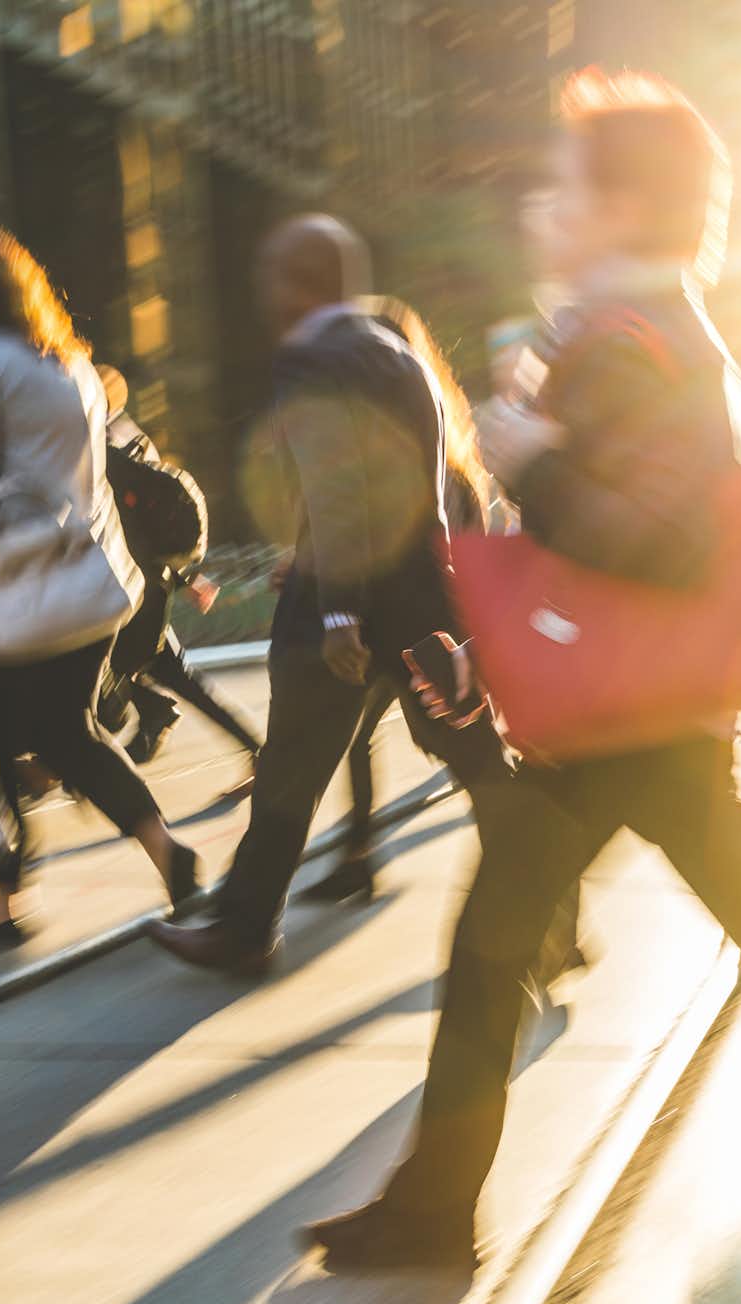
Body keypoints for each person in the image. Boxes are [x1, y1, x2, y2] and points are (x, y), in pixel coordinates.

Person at [299, 71, 741, 1269]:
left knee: (501, 938)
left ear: (623, 206)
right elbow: (610, 556)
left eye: (565, 185)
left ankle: (433, 1209)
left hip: (633, 719)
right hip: (647, 710)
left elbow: (657, 542)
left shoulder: (633, 338)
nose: (543, 207)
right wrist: (502, 637)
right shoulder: (643, 329)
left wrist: (530, 457)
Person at [145, 221, 524, 985]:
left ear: (298, 283)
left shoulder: (313, 355)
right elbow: (421, 502)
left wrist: (339, 608)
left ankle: (247, 932)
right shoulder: (399, 355)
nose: (262, 291)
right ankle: (551, 913)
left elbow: (337, 483)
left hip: (349, 605)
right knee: (473, 761)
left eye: (272, 274)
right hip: (416, 597)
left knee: (292, 769)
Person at [0, 228, 198, 942]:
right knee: (68, 736)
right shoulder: (66, 364)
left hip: (16, 594)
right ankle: (168, 852)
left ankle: (4, 897)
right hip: (90, 586)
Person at [297, 295, 501, 908]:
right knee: (373, 740)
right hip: (404, 621)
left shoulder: (424, 457)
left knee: (477, 766)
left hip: (425, 625)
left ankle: (549, 903)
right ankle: (357, 856)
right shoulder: (438, 446)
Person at [91, 364, 266, 776]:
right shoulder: (133, 438)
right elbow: (163, 522)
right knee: (175, 676)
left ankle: (104, 755)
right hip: (154, 582)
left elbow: (130, 527)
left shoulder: (102, 451)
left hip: (132, 586)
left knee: (102, 675)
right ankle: (253, 749)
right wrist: (188, 575)